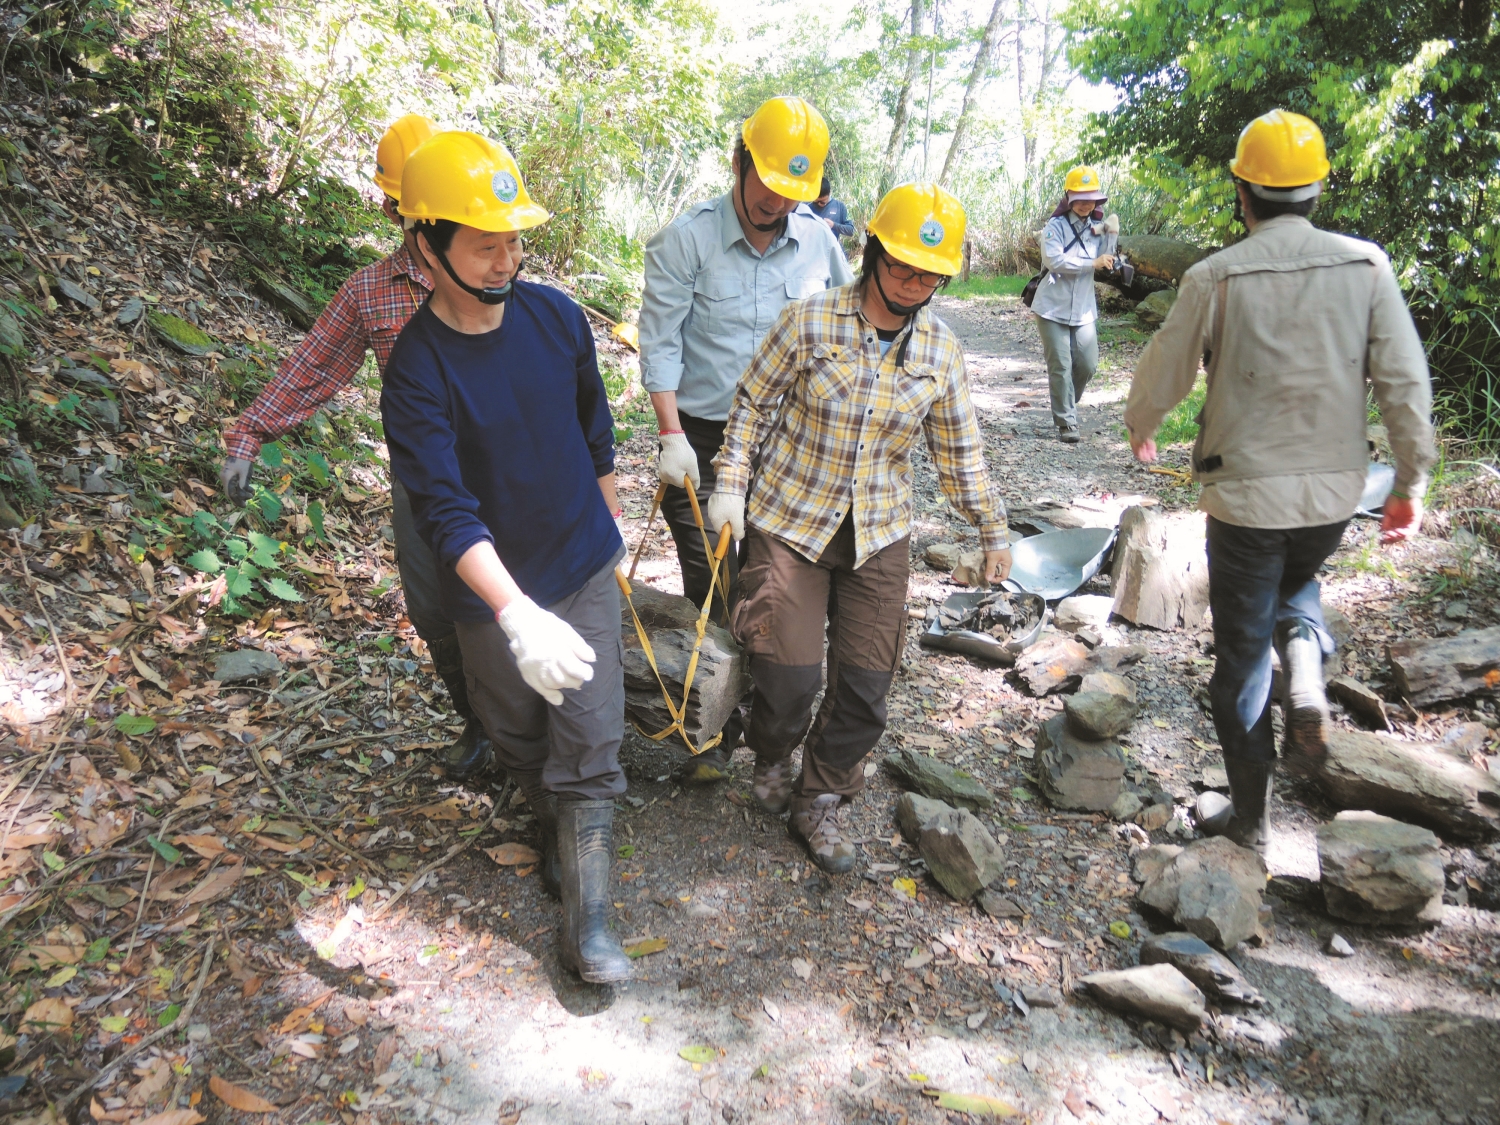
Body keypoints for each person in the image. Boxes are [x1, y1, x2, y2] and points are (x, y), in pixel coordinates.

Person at [1124, 110, 1434, 852]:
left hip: (1245, 497)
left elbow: (1164, 370)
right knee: (1298, 583)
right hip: (1333, 495)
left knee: (1238, 653)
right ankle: (1304, 660)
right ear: (1317, 191)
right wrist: (1409, 481)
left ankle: (1253, 819)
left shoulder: (1215, 275)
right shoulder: (1367, 266)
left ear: (1244, 192)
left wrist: (1143, 422)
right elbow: (1404, 381)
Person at [380, 132, 633, 983]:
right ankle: (550, 822)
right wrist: (514, 610)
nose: (505, 259)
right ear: (426, 244)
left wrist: (612, 524)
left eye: (514, 240)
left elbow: (593, 423)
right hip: (494, 591)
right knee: (520, 732)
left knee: (593, 733)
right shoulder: (416, 368)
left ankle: (588, 920)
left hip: (582, 558)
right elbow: (443, 509)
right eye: (484, 243)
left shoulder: (556, 316)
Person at [706, 183, 1011, 873]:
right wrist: (729, 484)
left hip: (878, 531)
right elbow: (752, 402)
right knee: (787, 678)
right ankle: (774, 749)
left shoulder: (939, 352)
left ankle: (821, 795)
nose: (912, 283)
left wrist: (993, 529)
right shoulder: (810, 322)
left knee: (867, 685)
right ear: (873, 253)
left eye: (929, 273)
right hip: (791, 518)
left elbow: (959, 453)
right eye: (901, 265)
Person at [219, 115, 495, 785]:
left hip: (500, 466)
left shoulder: (489, 268)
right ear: (391, 206)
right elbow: (313, 365)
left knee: (506, 599)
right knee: (434, 612)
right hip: (422, 484)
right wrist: (251, 431)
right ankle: (480, 722)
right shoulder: (371, 291)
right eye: (411, 208)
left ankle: (530, 732)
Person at [639, 95, 853, 784]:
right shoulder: (688, 239)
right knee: (713, 580)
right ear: (738, 162)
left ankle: (765, 715)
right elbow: (660, 341)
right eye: (766, 184)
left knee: (774, 580)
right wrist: (671, 436)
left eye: (792, 192)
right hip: (702, 434)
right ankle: (707, 727)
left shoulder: (819, 241)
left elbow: (850, 328)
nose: (775, 203)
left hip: (791, 441)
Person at [1032, 165, 1117, 444]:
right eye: (1079, 197)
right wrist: (1090, 263)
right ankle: (1067, 421)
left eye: (1090, 197)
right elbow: (1054, 261)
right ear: (1068, 197)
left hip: (1083, 310)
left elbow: (1108, 259)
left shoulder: (1097, 229)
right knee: (1061, 365)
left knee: (1087, 365)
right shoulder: (1054, 228)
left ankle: (1066, 398)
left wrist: (1112, 234)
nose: (1084, 203)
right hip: (1051, 308)